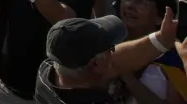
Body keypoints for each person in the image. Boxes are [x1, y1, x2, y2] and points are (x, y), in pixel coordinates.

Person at [34, 13, 178, 104]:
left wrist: (162, 39)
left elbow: (114, 61)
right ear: (96, 64)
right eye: (111, 48)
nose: (114, 51)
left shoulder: (46, 71)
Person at [110, 0, 187, 104]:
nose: (130, 5)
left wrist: (130, 80)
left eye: (140, 1)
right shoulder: (107, 44)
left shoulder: (173, 61)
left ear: (160, 18)